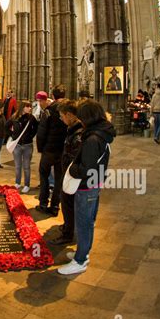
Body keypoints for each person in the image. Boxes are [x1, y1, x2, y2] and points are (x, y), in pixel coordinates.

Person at [57, 100, 115, 275]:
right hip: (94, 183)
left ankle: (80, 261)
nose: (80, 121)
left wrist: (72, 167)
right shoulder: (101, 133)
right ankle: (83, 253)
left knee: (83, 223)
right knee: (87, 222)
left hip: (86, 186)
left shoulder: (92, 138)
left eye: (82, 117)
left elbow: (86, 169)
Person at [51, 100, 84, 245]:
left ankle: (67, 234)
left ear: (70, 115)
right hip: (69, 174)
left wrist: (68, 171)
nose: (61, 119)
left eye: (62, 116)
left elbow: (75, 158)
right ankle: (67, 227)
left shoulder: (78, 133)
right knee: (66, 203)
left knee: (68, 204)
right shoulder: (73, 129)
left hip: (72, 176)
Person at [36, 84, 67, 216]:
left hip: (49, 150)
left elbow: (41, 132)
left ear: (53, 96)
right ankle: (55, 206)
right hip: (63, 150)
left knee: (44, 176)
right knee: (59, 179)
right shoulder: (70, 109)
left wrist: (41, 148)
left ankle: (43, 203)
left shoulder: (49, 110)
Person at [7, 100, 38, 193]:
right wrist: (12, 135)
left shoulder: (31, 118)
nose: (30, 108)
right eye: (27, 106)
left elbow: (36, 128)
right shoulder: (14, 117)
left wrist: (30, 136)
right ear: (22, 107)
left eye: (30, 107)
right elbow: (6, 126)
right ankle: (17, 182)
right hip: (17, 145)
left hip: (28, 145)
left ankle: (27, 184)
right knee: (17, 165)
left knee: (26, 166)